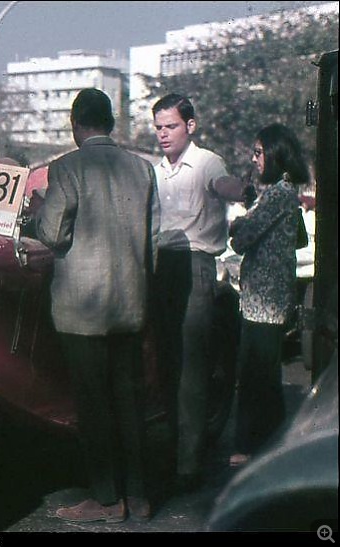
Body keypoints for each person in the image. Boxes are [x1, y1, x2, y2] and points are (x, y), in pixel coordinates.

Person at [34, 88, 160, 523]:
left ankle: (107, 499)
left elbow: (52, 234)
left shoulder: (66, 168)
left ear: (76, 124)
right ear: (110, 122)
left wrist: (35, 212)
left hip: (81, 311)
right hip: (130, 305)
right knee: (130, 402)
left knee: (94, 406)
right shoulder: (143, 170)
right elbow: (153, 242)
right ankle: (140, 496)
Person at [150, 93, 247, 492]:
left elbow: (225, 185)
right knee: (168, 365)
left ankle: (188, 466)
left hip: (196, 266)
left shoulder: (207, 162)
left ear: (190, 126)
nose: (162, 134)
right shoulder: (157, 170)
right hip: (161, 267)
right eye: (158, 127)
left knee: (191, 370)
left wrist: (238, 189)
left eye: (170, 126)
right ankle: (172, 452)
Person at [227, 124, 311, 468]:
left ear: (276, 154)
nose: (254, 158)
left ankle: (249, 446)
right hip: (272, 298)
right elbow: (301, 240)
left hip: (263, 301)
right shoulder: (285, 192)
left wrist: (239, 225)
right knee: (266, 378)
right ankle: (275, 443)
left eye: (260, 152)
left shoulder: (278, 194)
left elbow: (242, 239)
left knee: (253, 377)